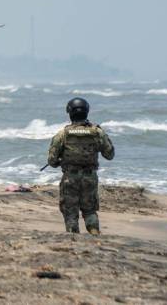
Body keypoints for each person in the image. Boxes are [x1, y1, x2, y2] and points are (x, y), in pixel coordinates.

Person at [47, 97, 115, 235]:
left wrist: (63, 160)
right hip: (90, 178)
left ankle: (73, 237)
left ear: (70, 113)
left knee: (70, 212)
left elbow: (52, 161)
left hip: (69, 178)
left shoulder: (62, 134)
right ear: (87, 112)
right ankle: (94, 234)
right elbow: (109, 154)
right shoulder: (97, 132)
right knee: (90, 210)